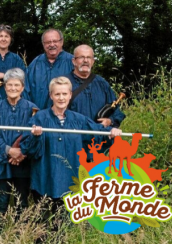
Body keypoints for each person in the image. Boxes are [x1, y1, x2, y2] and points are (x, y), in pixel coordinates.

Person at [21, 77, 121, 231]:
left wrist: (111, 132)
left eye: (64, 94)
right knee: (42, 225)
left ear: (69, 95)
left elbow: (99, 134)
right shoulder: (40, 118)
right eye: (57, 94)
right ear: (51, 96)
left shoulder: (79, 119)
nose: (61, 98)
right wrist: (35, 136)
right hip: (44, 179)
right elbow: (28, 149)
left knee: (64, 227)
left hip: (70, 179)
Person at [0, 68, 38, 215]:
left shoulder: (32, 108)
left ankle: (20, 235)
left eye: (17, 85)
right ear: (5, 86)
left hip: (23, 164)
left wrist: (22, 153)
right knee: (1, 201)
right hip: (2, 162)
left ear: (22, 87)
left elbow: (34, 137)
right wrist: (9, 150)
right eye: (9, 85)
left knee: (21, 202)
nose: (13, 88)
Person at [64, 44, 126, 160]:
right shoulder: (63, 83)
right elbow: (54, 112)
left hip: (99, 147)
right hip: (73, 145)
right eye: (81, 57)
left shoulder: (102, 84)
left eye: (89, 57)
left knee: (95, 178)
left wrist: (110, 120)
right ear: (74, 61)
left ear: (93, 61)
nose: (85, 61)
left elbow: (116, 111)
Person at [24, 28, 74, 109]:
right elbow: (25, 90)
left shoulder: (72, 62)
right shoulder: (35, 63)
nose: (51, 44)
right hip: (39, 116)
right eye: (48, 42)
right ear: (43, 44)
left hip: (65, 117)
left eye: (55, 41)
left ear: (61, 42)